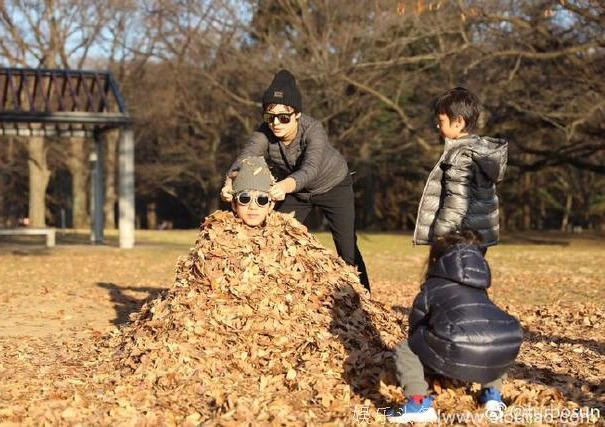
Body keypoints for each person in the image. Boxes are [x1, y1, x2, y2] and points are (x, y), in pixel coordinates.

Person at [221, 69, 369, 290]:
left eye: (284, 117)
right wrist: (230, 182)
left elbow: (310, 168)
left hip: (333, 186)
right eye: (270, 118)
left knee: (346, 247)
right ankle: (275, 291)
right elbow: (246, 158)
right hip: (296, 192)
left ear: (297, 114)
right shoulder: (263, 133)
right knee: (275, 236)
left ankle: (362, 298)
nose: (276, 123)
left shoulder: (314, 129)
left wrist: (283, 186)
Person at [386, 230, 523, 423]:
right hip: (503, 343)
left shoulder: (433, 286)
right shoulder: (480, 285)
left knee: (406, 349)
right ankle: (492, 397)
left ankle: (418, 403)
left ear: (438, 259)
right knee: (490, 340)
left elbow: (416, 327)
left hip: (455, 347)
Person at [413, 87, 508, 253]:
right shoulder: (481, 151)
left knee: (452, 275)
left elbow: (456, 202)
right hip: (478, 234)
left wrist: (441, 236)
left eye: (441, 121)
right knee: (471, 274)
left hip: (459, 236)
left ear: (458, 122)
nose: (437, 125)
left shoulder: (460, 157)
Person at [229, 157, 276, 227]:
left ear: (271, 205)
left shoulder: (289, 236)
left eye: (262, 199)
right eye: (245, 198)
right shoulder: (214, 235)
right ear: (233, 204)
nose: (253, 207)